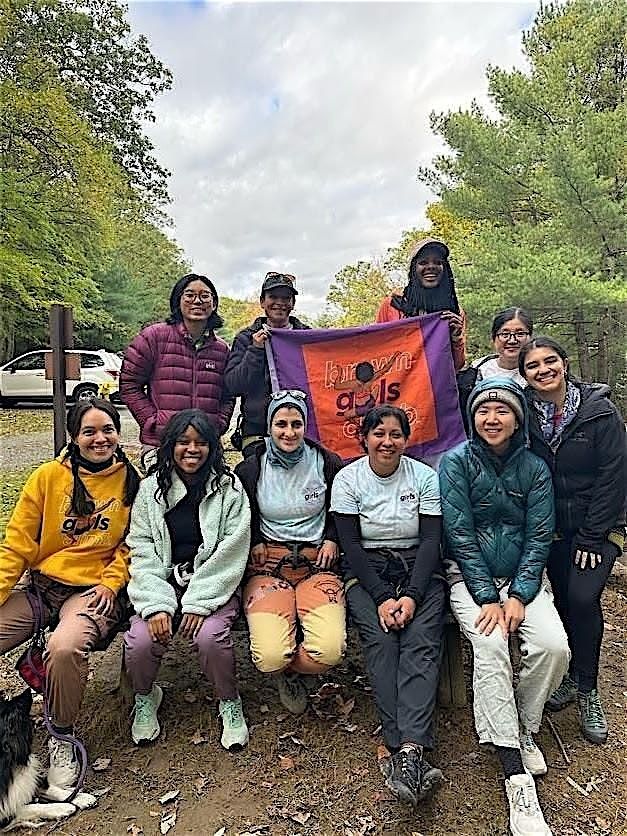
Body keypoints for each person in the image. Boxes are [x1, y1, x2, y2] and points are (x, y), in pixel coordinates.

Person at [439, 379, 570, 836]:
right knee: (491, 646)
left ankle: (525, 725)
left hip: (523, 578)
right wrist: (488, 596)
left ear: (517, 419)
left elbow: (539, 535)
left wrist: (519, 593)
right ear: (473, 418)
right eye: (483, 411)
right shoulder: (455, 462)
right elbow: (458, 532)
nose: (492, 418)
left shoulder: (535, 468)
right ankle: (513, 767)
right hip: (470, 579)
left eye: (502, 411)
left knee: (554, 647)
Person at [0, 399, 140, 786]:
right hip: (41, 587)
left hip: (90, 590)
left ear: (118, 432)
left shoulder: (131, 481)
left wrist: (111, 584)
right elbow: (17, 544)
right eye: (89, 432)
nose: (100, 439)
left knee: (64, 647)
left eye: (107, 429)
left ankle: (61, 734)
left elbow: (132, 547)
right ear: (74, 437)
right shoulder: (47, 477)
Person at [330, 405, 445, 808]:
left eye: (396, 434)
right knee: (382, 643)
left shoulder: (424, 477)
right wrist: (382, 597)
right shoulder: (348, 479)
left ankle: (408, 748)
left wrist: (411, 596)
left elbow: (431, 540)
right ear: (364, 438)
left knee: (421, 641)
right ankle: (404, 748)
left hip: (419, 567)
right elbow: (350, 544)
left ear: (406, 439)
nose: (387, 442)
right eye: (378, 433)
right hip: (368, 570)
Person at [519, 337, 626, 745]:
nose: (543, 370)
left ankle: (588, 690)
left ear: (564, 365)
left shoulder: (600, 413)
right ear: (525, 375)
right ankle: (566, 676)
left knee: (582, 598)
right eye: (533, 366)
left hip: (596, 527)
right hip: (550, 529)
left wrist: (592, 534)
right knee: (561, 599)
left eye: (550, 362)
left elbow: (614, 477)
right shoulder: (525, 414)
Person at [124, 409, 251, 751]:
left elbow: (232, 550)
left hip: (213, 583)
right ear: (170, 446)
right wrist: (155, 603)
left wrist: (199, 602)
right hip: (164, 582)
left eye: (200, 443)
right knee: (139, 640)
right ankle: (146, 696)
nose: (191, 450)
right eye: (183, 442)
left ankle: (229, 701)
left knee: (210, 636)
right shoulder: (152, 489)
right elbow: (142, 546)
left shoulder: (229, 488)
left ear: (212, 447)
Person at [235, 391, 346, 715]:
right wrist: (254, 537)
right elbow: (242, 512)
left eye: (296, 423)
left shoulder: (326, 462)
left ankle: (295, 667)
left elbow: (342, 509)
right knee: (269, 657)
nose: (289, 431)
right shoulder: (252, 468)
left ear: (305, 425)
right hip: (269, 564)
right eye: (280, 424)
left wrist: (332, 538)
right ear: (269, 427)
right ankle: (282, 668)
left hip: (317, 563)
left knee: (329, 651)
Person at [120, 273, 234, 468]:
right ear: (177, 301)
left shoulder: (222, 350)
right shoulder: (153, 337)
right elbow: (129, 384)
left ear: (214, 304)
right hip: (160, 444)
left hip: (205, 446)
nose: (197, 301)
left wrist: (218, 424)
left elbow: (228, 395)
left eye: (205, 296)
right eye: (189, 295)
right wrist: (152, 422)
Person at [224, 271, 310, 457]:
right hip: (257, 432)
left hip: (300, 431)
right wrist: (255, 351)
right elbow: (233, 385)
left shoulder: (308, 338)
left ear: (293, 304)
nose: (279, 302)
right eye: (273, 296)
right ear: (262, 301)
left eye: (286, 297)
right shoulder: (246, 338)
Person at [375, 238, 466, 371]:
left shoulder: (454, 312)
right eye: (423, 262)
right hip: (399, 385)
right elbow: (376, 350)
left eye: (438, 262)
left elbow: (457, 365)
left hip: (435, 386)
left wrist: (456, 339)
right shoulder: (392, 304)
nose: (431, 267)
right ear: (414, 269)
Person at [474, 307, 533, 387]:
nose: (512, 340)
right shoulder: (478, 370)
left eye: (520, 334)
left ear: (530, 337)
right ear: (494, 338)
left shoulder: (538, 370)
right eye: (505, 334)